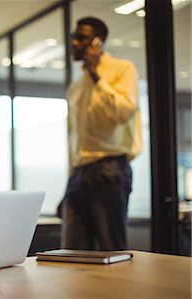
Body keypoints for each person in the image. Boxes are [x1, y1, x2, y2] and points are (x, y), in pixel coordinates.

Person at [60, 17, 142, 250]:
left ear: (99, 42)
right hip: (78, 173)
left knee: (112, 249)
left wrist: (97, 75)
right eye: (73, 37)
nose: (74, 43)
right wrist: (69, 182)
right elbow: (74, 139)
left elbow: (123, 112)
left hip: (109, 169)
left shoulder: (122, 69)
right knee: (71, 253)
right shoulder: (76, 87)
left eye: (81, 38)